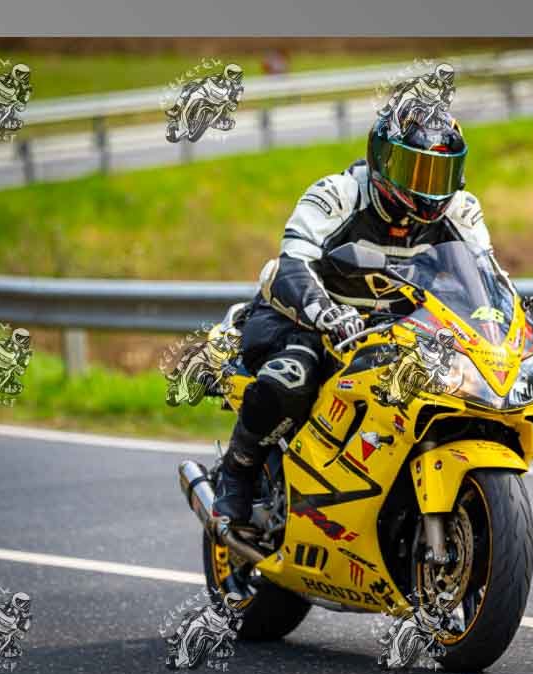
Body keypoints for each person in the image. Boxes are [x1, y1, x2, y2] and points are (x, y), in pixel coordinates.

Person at [213, 91, 497, 524]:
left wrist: (501, 322)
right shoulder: (338, 194)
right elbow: (293, 265)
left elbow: (486, 272)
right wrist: (326, 313)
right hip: (302, 319)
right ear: (381, 159)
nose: (428, 187)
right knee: (294, 375)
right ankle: (238, 471)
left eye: (441, 173)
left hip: (395, 330)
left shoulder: (461, 209)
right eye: (414, 169)